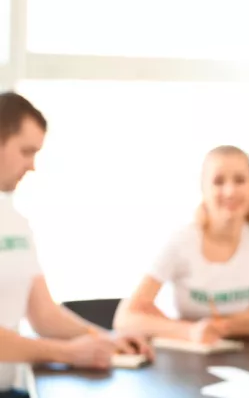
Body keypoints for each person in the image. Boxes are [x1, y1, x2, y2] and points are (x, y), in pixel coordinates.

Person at [0, 92, 154, 398]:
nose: (32, 166)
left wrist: (105, 338)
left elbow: (43, 313)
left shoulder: (15, 221)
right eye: (26, 151)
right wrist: (67, 353)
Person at [113, 145, 249, 344]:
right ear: (203, 188)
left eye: (240, 180)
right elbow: (125, 319)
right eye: (218, 181)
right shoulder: (182, 240)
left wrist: (207, 328)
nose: (230, 191)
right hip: (189, 357)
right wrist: (190, 331)